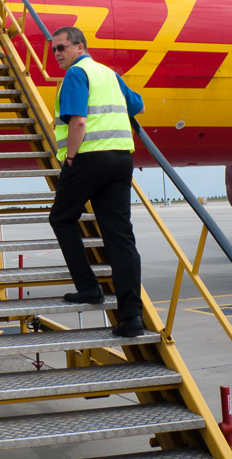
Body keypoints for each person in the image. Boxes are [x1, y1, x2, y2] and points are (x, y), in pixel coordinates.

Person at [48, 26, 147, 337]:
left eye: (61, 47)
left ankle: (89, 288)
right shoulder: (108, 74)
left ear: (80, 46)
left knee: (62, 219)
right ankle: (131, 318)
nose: (57, 55)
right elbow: (136, 105)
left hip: (89, 158)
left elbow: (78, 120)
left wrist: (71, 158)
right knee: (120, 236)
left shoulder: (76, 75)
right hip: (121, 159)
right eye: (53, 51)